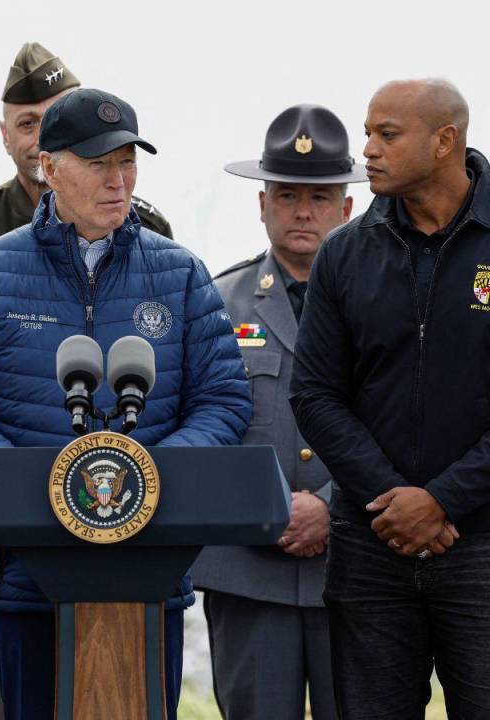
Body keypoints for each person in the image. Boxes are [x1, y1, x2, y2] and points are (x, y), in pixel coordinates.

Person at [0, 87, 250, 720]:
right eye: (99, 164)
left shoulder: (179, 273)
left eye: (128, 162)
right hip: (26, 575)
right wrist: (32, 486)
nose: (118, 181)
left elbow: (223, 400)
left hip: (149, 569)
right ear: (50, 167)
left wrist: (145, 481)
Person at [289, 79, 490, 719]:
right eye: (367, 131)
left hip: (489, 550)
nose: (366, 149)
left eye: (386, 134)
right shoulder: (344, 253)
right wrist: (393, 504)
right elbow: (315, 393)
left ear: (445, 141)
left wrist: (443, 500)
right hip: (373, 544)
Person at [192, 104, 366, 719]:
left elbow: (409, 425)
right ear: (260, 204)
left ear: (347, 208)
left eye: (320, 196)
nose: (302, 211)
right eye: (287, 195)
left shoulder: (390, 304)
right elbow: (197, 429)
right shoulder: (213, 303)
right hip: (247, 572)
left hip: (358, 567)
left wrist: (332, 505)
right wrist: (267, 508)